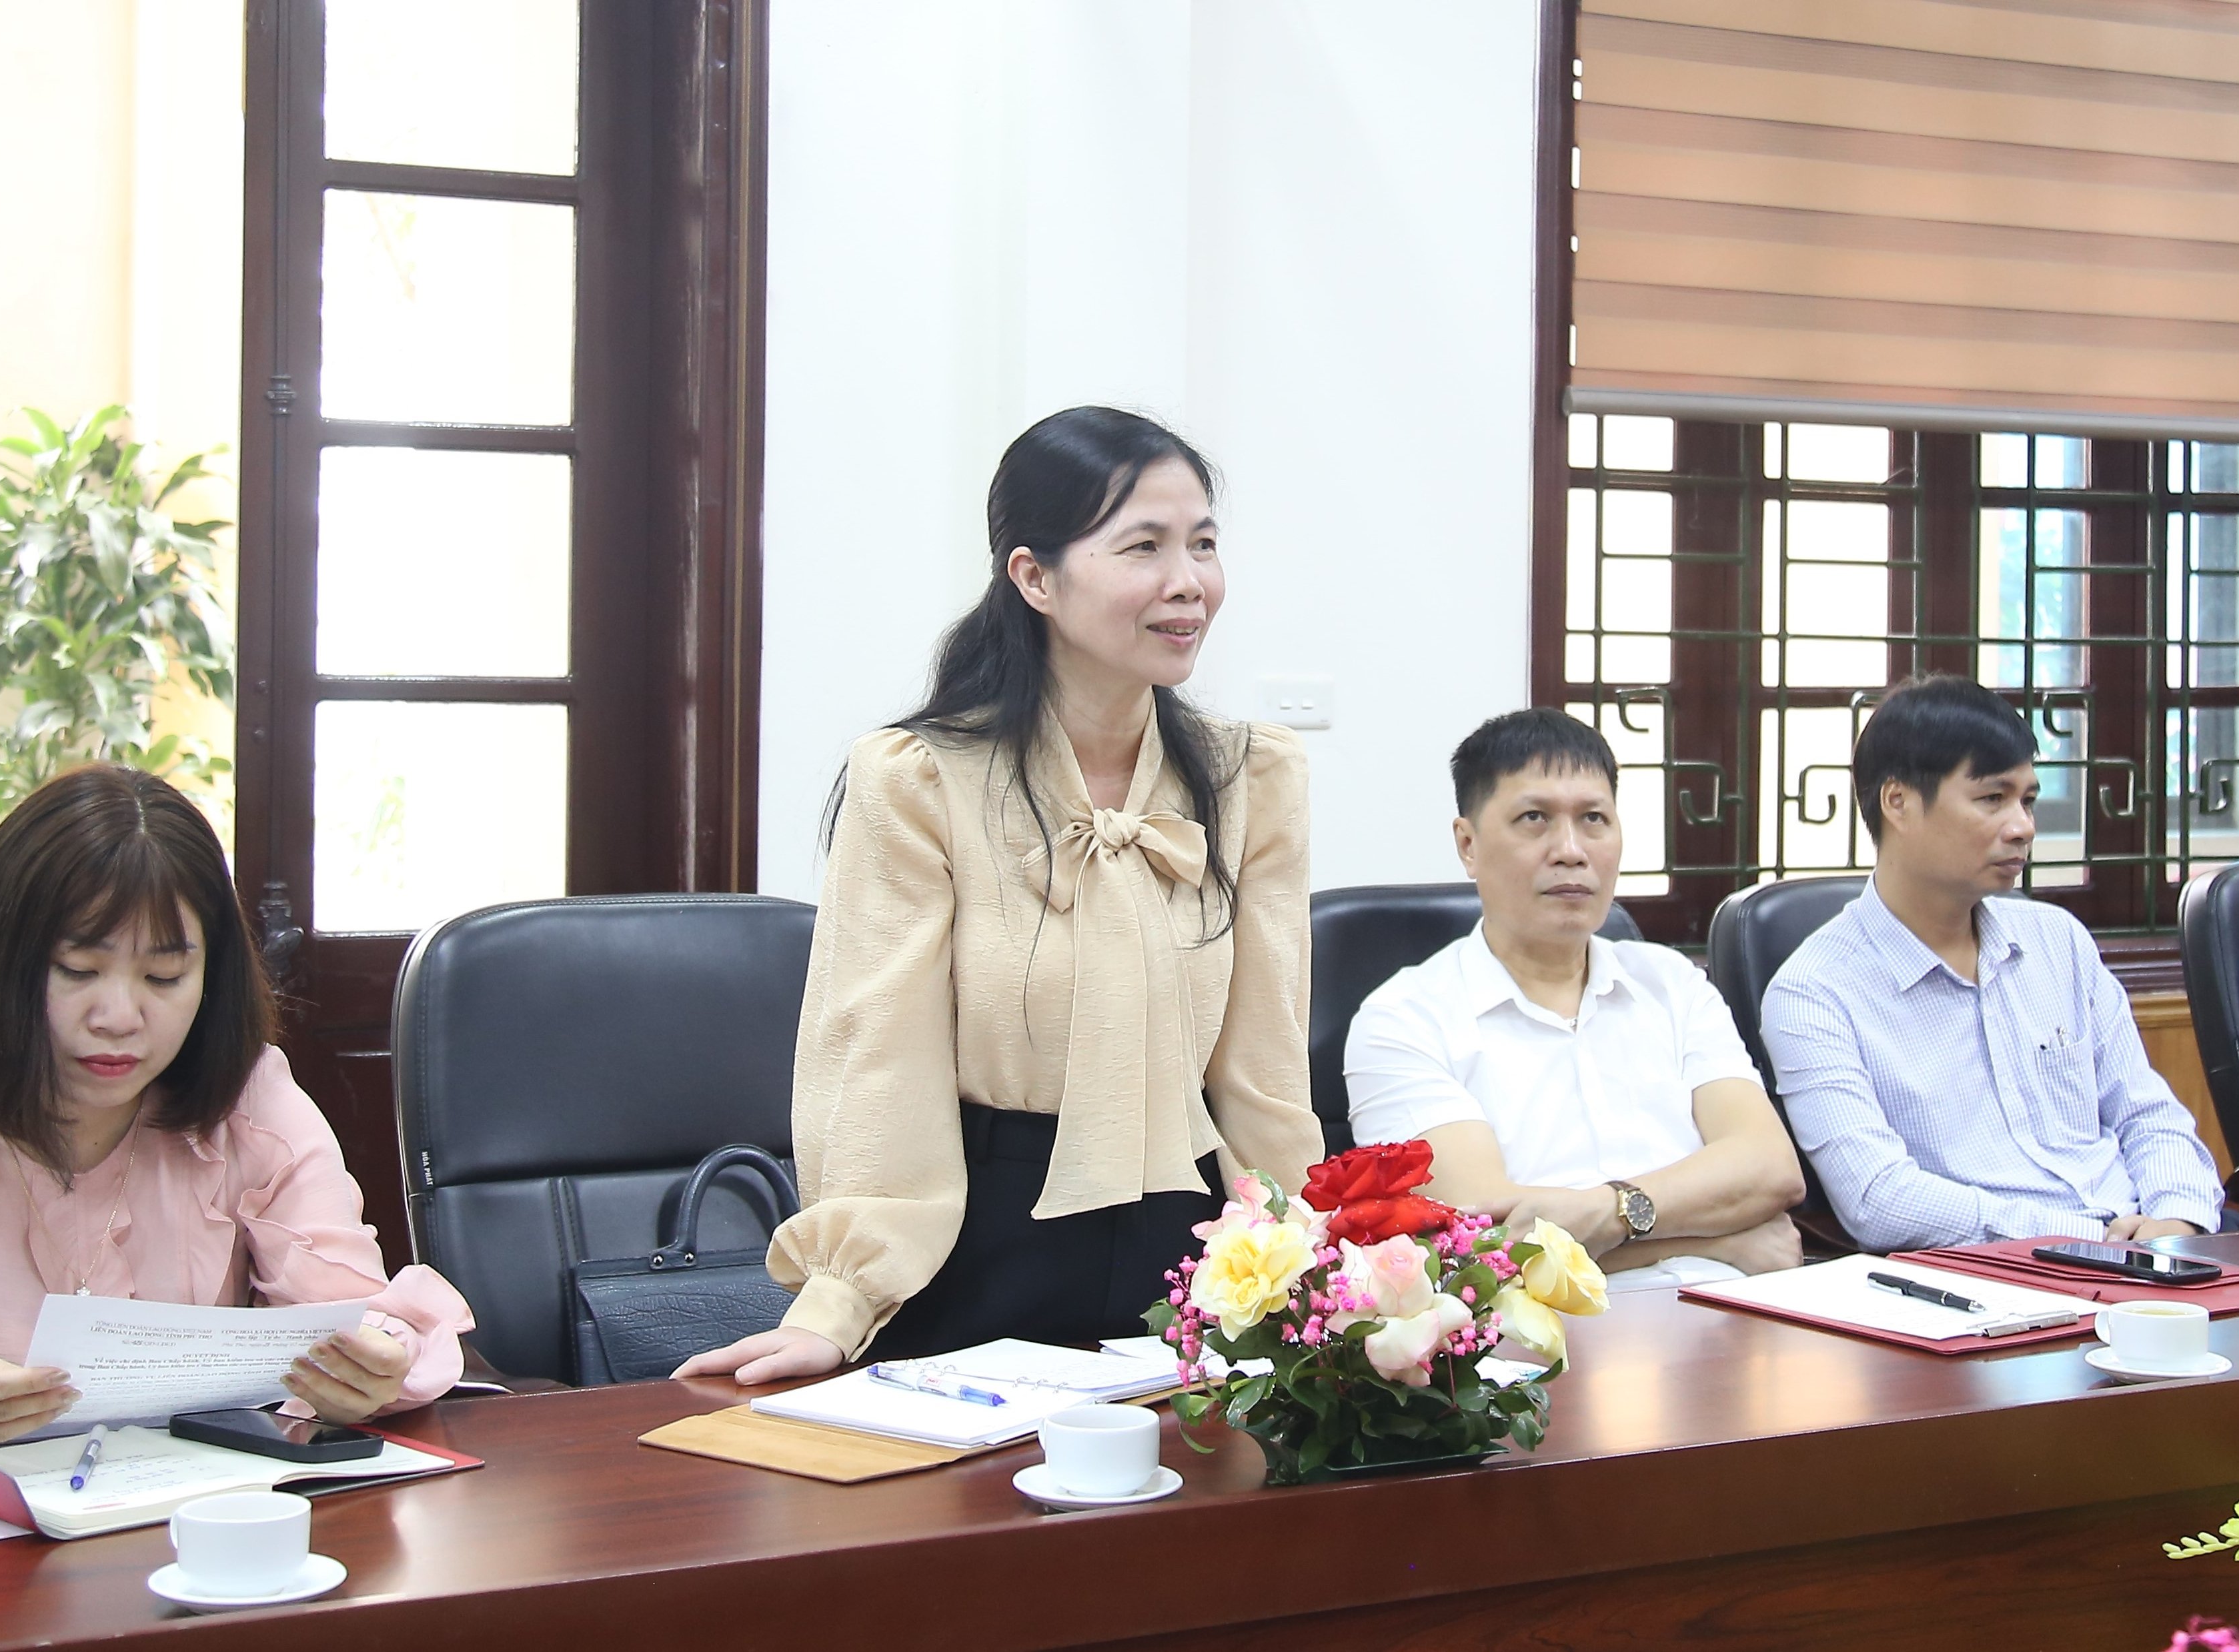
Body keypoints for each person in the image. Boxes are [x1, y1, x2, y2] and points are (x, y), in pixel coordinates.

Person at [677, 407, 1325, 1385]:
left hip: (1196, 1251)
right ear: (1033, 577)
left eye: (1201, 544)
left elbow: (1263, 1067)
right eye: (1141, 547)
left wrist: (1306, 1256)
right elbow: (875, 1063)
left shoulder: (1248, 778)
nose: (1186, 582)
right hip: (980, 1237)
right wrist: (840, 1300)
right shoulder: (921, 779)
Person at [0, 766, 474, 1467]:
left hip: (193, 1526)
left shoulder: (250, 1103)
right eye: (78, 969)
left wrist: (372, 1364)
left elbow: (353, 1314)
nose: (120, 1017)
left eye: (164, 977)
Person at [1345, 709, 1805, 1291]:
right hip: (1536, 1350)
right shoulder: (1404, 1019)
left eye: (1593, 819)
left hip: (1737, 1315)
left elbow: (1770, 1169)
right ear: (1467, 844)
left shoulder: (1673, 984)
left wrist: (1606, 1214)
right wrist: (1716, 1237)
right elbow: (1478, 1246)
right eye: (1533, 818)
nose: (1570, 850)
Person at [1763, 675, 2224, 1252]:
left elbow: (2146, 1112)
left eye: (2027, 800)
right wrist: (2091, 1239)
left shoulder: (2058, 940)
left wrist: (2176, 1217)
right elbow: (1878, 1199)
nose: (2022, 826)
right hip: (1989, 1277)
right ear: (1898, 802)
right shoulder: (1812, 992)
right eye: (1992, 799)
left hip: (2147, 1249)